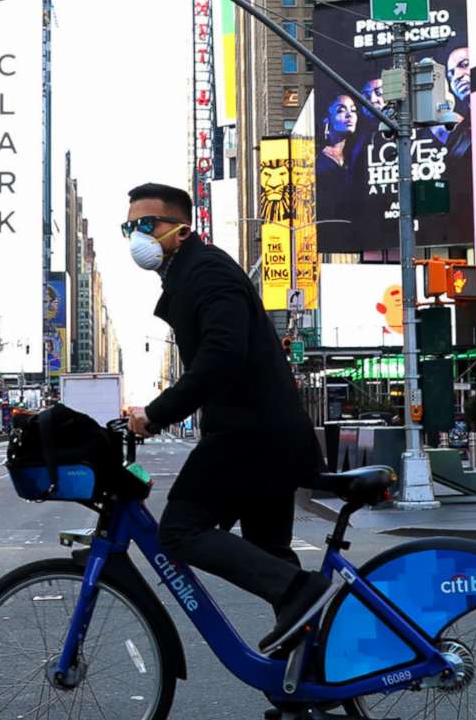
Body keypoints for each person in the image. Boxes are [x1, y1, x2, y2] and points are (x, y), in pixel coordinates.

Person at [119, 183, 330, 653]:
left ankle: (301, 592)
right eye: (129, 226)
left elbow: (221, 357)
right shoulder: (188, 273)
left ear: (180, 227)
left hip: (250, 435)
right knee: (269, 553)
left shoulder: (207, 272)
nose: (137, 235)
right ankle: (308, 669)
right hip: (264, 435)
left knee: (179, 531)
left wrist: (156, 413)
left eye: (146, 224)